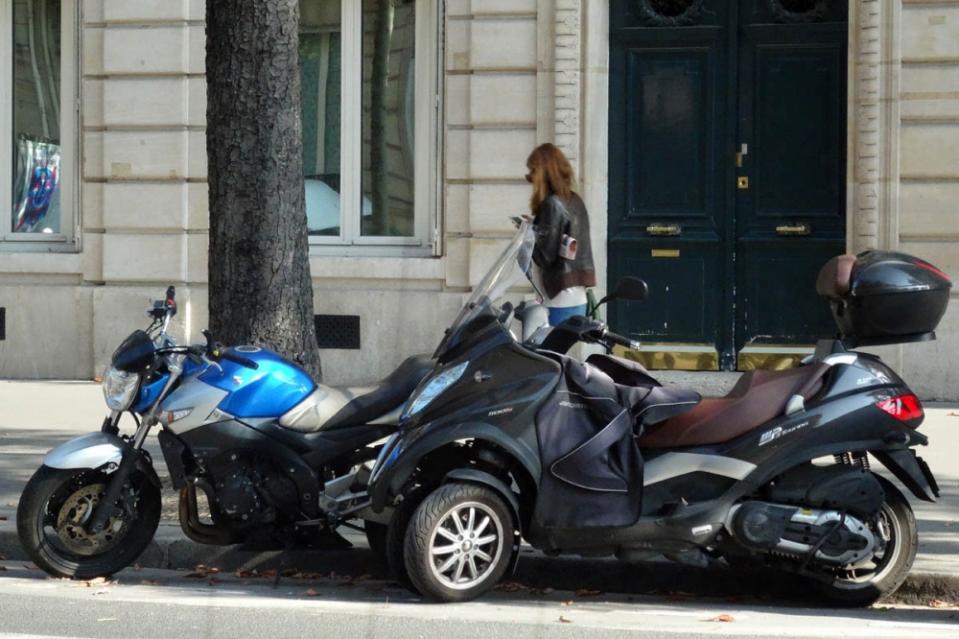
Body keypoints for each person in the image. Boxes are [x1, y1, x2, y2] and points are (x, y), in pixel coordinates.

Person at [525, 143, 596, 326]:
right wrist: (536, 225)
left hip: (558, 294)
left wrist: (528, 234)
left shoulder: (552, 204)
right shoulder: (574, 200)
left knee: (548, 353)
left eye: (533, 171)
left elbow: (545, 257)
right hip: (577, 293)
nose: (530, 178)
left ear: (544, 172)